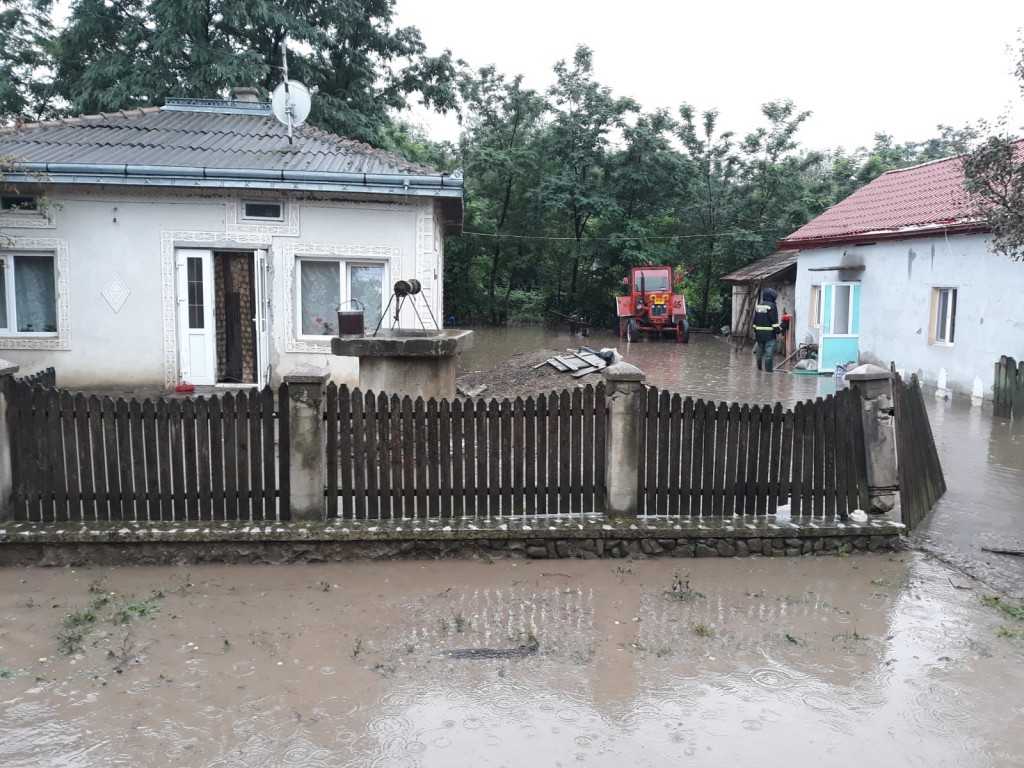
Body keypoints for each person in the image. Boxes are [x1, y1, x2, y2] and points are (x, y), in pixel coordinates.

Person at [752, 288, 781, 372]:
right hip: (769, 334)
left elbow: (755, 320)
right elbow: (774, 321)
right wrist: (778, 331)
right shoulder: (772, 306)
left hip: (759, 334)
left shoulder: (759, 306)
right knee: (769, 353)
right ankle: (769, 372)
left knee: (759, 352)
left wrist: (755, 330)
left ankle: (759, 369)